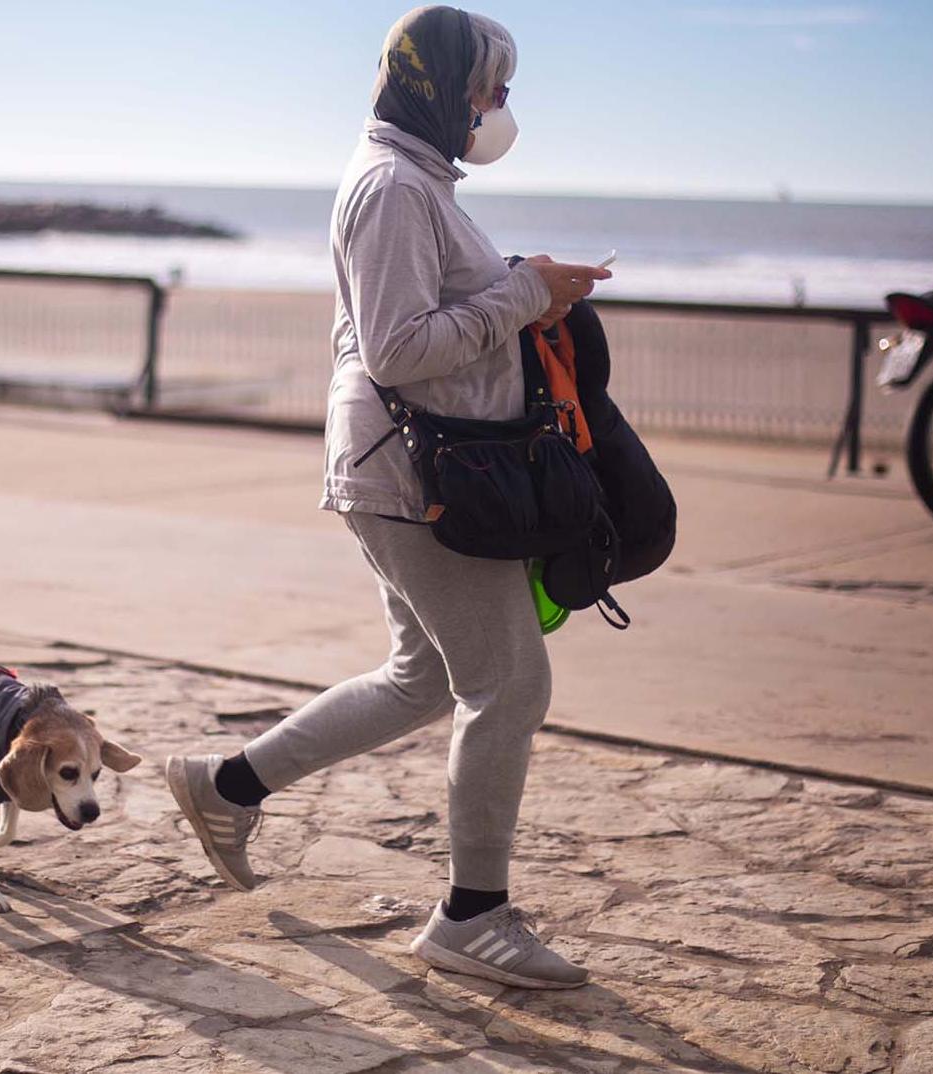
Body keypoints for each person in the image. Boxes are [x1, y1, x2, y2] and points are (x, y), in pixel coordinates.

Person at [164, 5, 609, 990]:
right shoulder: (393, 189)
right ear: (440, 87)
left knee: (420, 676)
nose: (498, 105)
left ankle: (225, 785)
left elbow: (426, 319)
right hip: (415, 476)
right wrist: (522, 293)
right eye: (488, 86)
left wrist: (523, 285)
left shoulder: (414, 181)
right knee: (508, 686)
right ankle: (472, 916)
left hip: (403, 470)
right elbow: (400, 346)